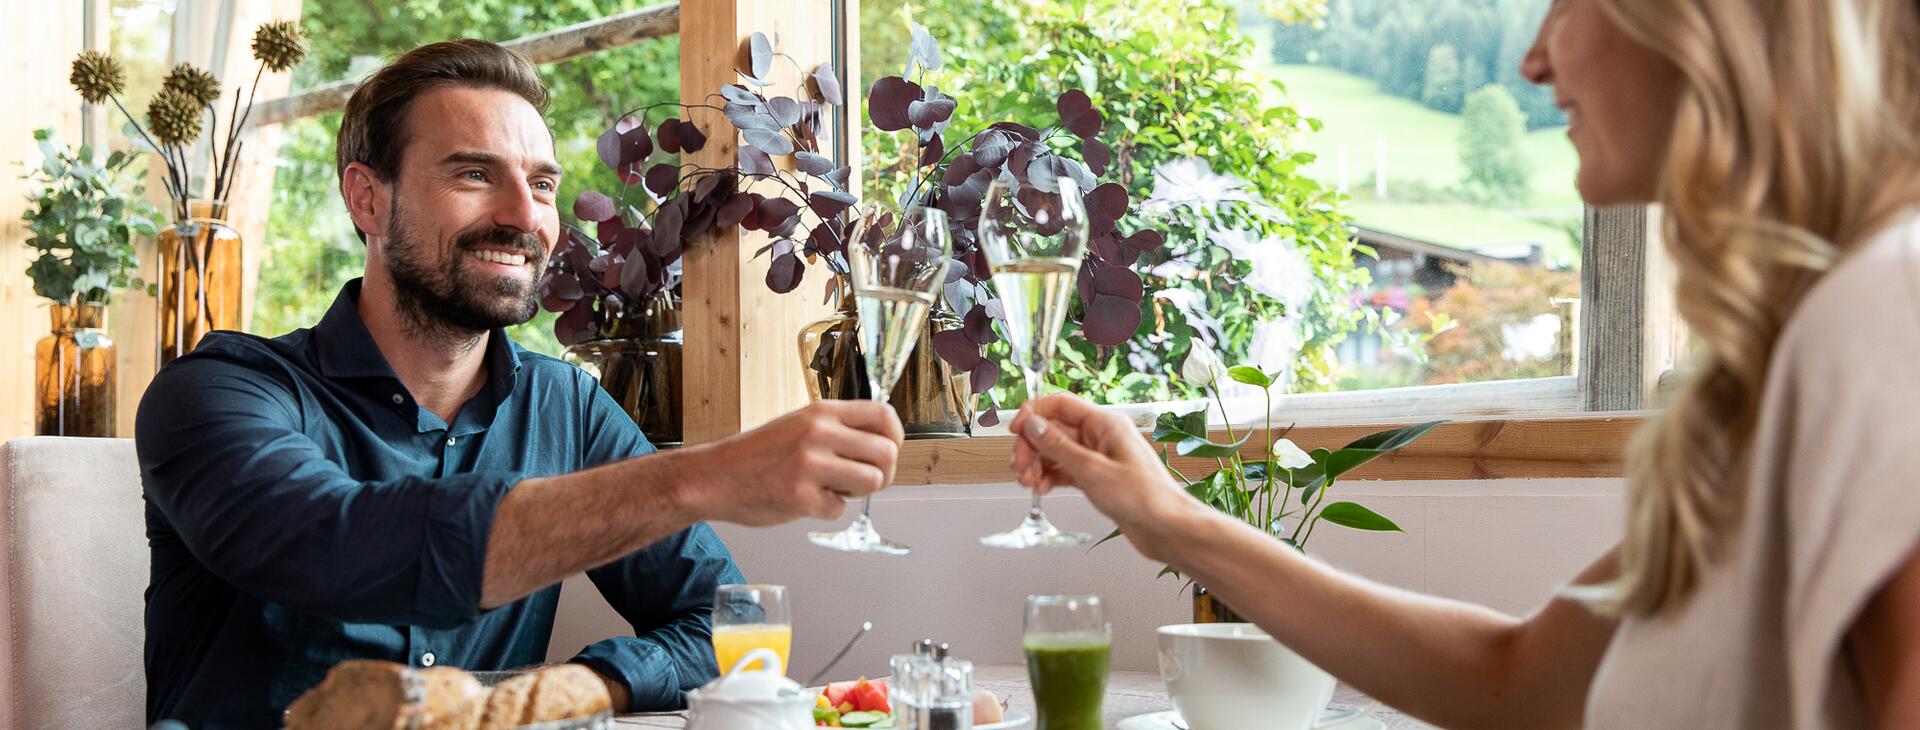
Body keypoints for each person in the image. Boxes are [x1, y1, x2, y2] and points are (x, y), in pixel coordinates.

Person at [1010, 0, 1920, 726]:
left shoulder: (1884, 310)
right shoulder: (1780, 373)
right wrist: (1167, 517)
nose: (1533, 58)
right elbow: (1517, 682)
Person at [135, 40, 904, 729]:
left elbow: (720, 627)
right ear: (367, 198)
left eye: (541, 185)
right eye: (474, 173)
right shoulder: (218, 392)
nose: (522, 215)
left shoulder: (567, 410)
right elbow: (333, 545)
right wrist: (703, 476)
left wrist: (588, 685)